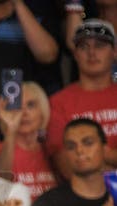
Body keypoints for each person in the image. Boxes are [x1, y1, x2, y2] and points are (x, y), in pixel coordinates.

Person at [45, 19, 117, 179]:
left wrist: (100, 157)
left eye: (100, 46)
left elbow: (79, 162)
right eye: (84, 47)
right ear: (76, 54)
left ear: (114, 52)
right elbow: (67, 166)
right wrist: (110, 156)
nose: (92, 53)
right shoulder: (58, 103)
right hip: (83, 198)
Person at [0, 82, 57, 201]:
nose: (24, 113)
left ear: (43, 110)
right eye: (17, 107)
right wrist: (11, 130)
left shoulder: (50, 150)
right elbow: (0, 186)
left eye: (31, 105)